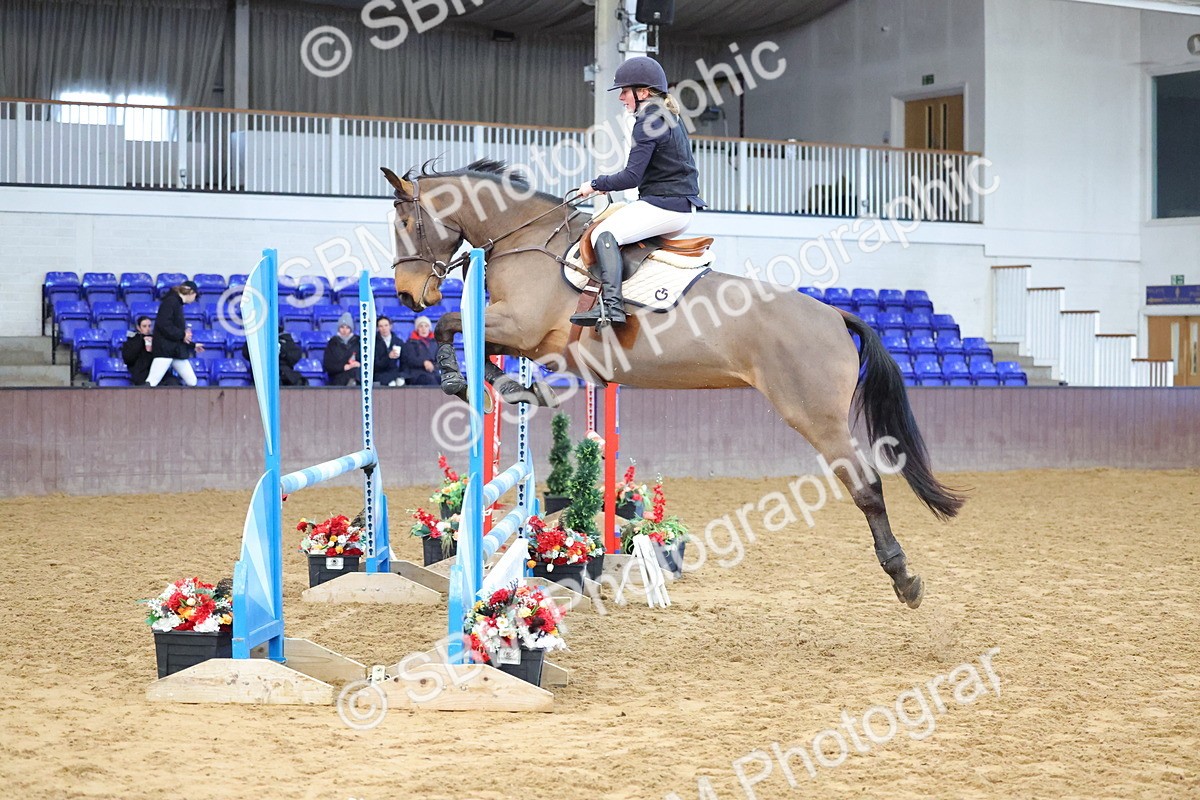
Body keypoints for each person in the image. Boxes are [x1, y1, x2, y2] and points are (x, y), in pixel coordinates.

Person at [574, 55, 707, 328]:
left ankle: (612, 307)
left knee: (603, 233)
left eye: (625, 91)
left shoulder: (649, 119)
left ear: (643, 92)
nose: (621, 98)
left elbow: (631, 177)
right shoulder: (666, 114)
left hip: (667, 206)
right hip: (673, 202)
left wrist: (595, 185)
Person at [146, 281, 204, 386]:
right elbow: (164, 325)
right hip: (166, 350)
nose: (194, 299)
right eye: (195, 296)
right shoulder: (171, 302)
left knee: (192, 381)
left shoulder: (174, 303)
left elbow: (173, 330)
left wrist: (192, 345)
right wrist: (183, 335)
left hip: (174, 351)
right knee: (152, 382)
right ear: (191, 293)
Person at [121, 315, 179, 386]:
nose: (148, 329)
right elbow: (128, 358)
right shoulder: (132, 342)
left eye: (149, 326)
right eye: (144, 326)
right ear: (138, 328)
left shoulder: (157, 340)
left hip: (158, 372)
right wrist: (141, 341)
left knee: (173, 382)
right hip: (141, 373)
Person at [241, 326, 307, 387]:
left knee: (300, 381)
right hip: (263, 372)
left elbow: (295, 355)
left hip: (283, 372)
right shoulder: (256, 337)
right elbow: (246, 353)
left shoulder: (285, 338)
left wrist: (282, 352)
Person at [399, 315, 440, 386]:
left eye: (426, 326)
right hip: (415, 374)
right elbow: (410, 359)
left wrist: (433, 366)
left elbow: (440, 359)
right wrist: (424, 363)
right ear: (417, 329)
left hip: (433, 372)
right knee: (429, 380)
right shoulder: (410, 343)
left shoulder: (435, 343)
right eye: (421, 326)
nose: (424, 329)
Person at [323, 312, 361, 386]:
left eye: (347, 327)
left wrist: (359, 364)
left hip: (357, 375)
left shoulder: (358, 342)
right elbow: (328, 365)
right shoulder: (332, 343)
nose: (344, 330)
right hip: (337, 378)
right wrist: (344, 367)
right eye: (342, 327)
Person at [373, 315, 405, 387]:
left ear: (390, 326)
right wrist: (388, 357)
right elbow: (375, 364)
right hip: (380, 374)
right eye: (381, 326)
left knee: (401, 382)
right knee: (392, 384)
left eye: (386, 325)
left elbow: (404, 361)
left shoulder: (398, 342)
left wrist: (402, 375)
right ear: (377, 328)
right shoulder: (373, 343)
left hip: (395, 373)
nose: (384, 328)